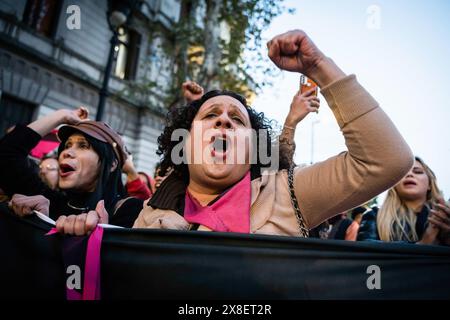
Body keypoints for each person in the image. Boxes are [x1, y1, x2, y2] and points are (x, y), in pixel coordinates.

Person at [132, 29, 413, 236]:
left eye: (238, 120)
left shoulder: (286, 192)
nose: (225, 122)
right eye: (211, 116)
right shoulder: (149, 213)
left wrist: (318, 68)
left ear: (254, 148)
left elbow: (387, 161)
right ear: (185, 141)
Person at [0, 107, 143, 233]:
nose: (66, 153)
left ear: (112, 164)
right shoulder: (48, 202)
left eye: (83, 146)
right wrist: (62, 116)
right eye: (67, 145)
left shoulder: (129, 209)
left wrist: (100, 235)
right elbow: (6, 156)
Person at [357, 157, 450, 245]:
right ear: (394, 183)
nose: (409, 174)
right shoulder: (374, 214)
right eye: (403, 173)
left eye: (417, 172)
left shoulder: (445, 217)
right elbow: (365, 253)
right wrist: (422, 245)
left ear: (429, 184)